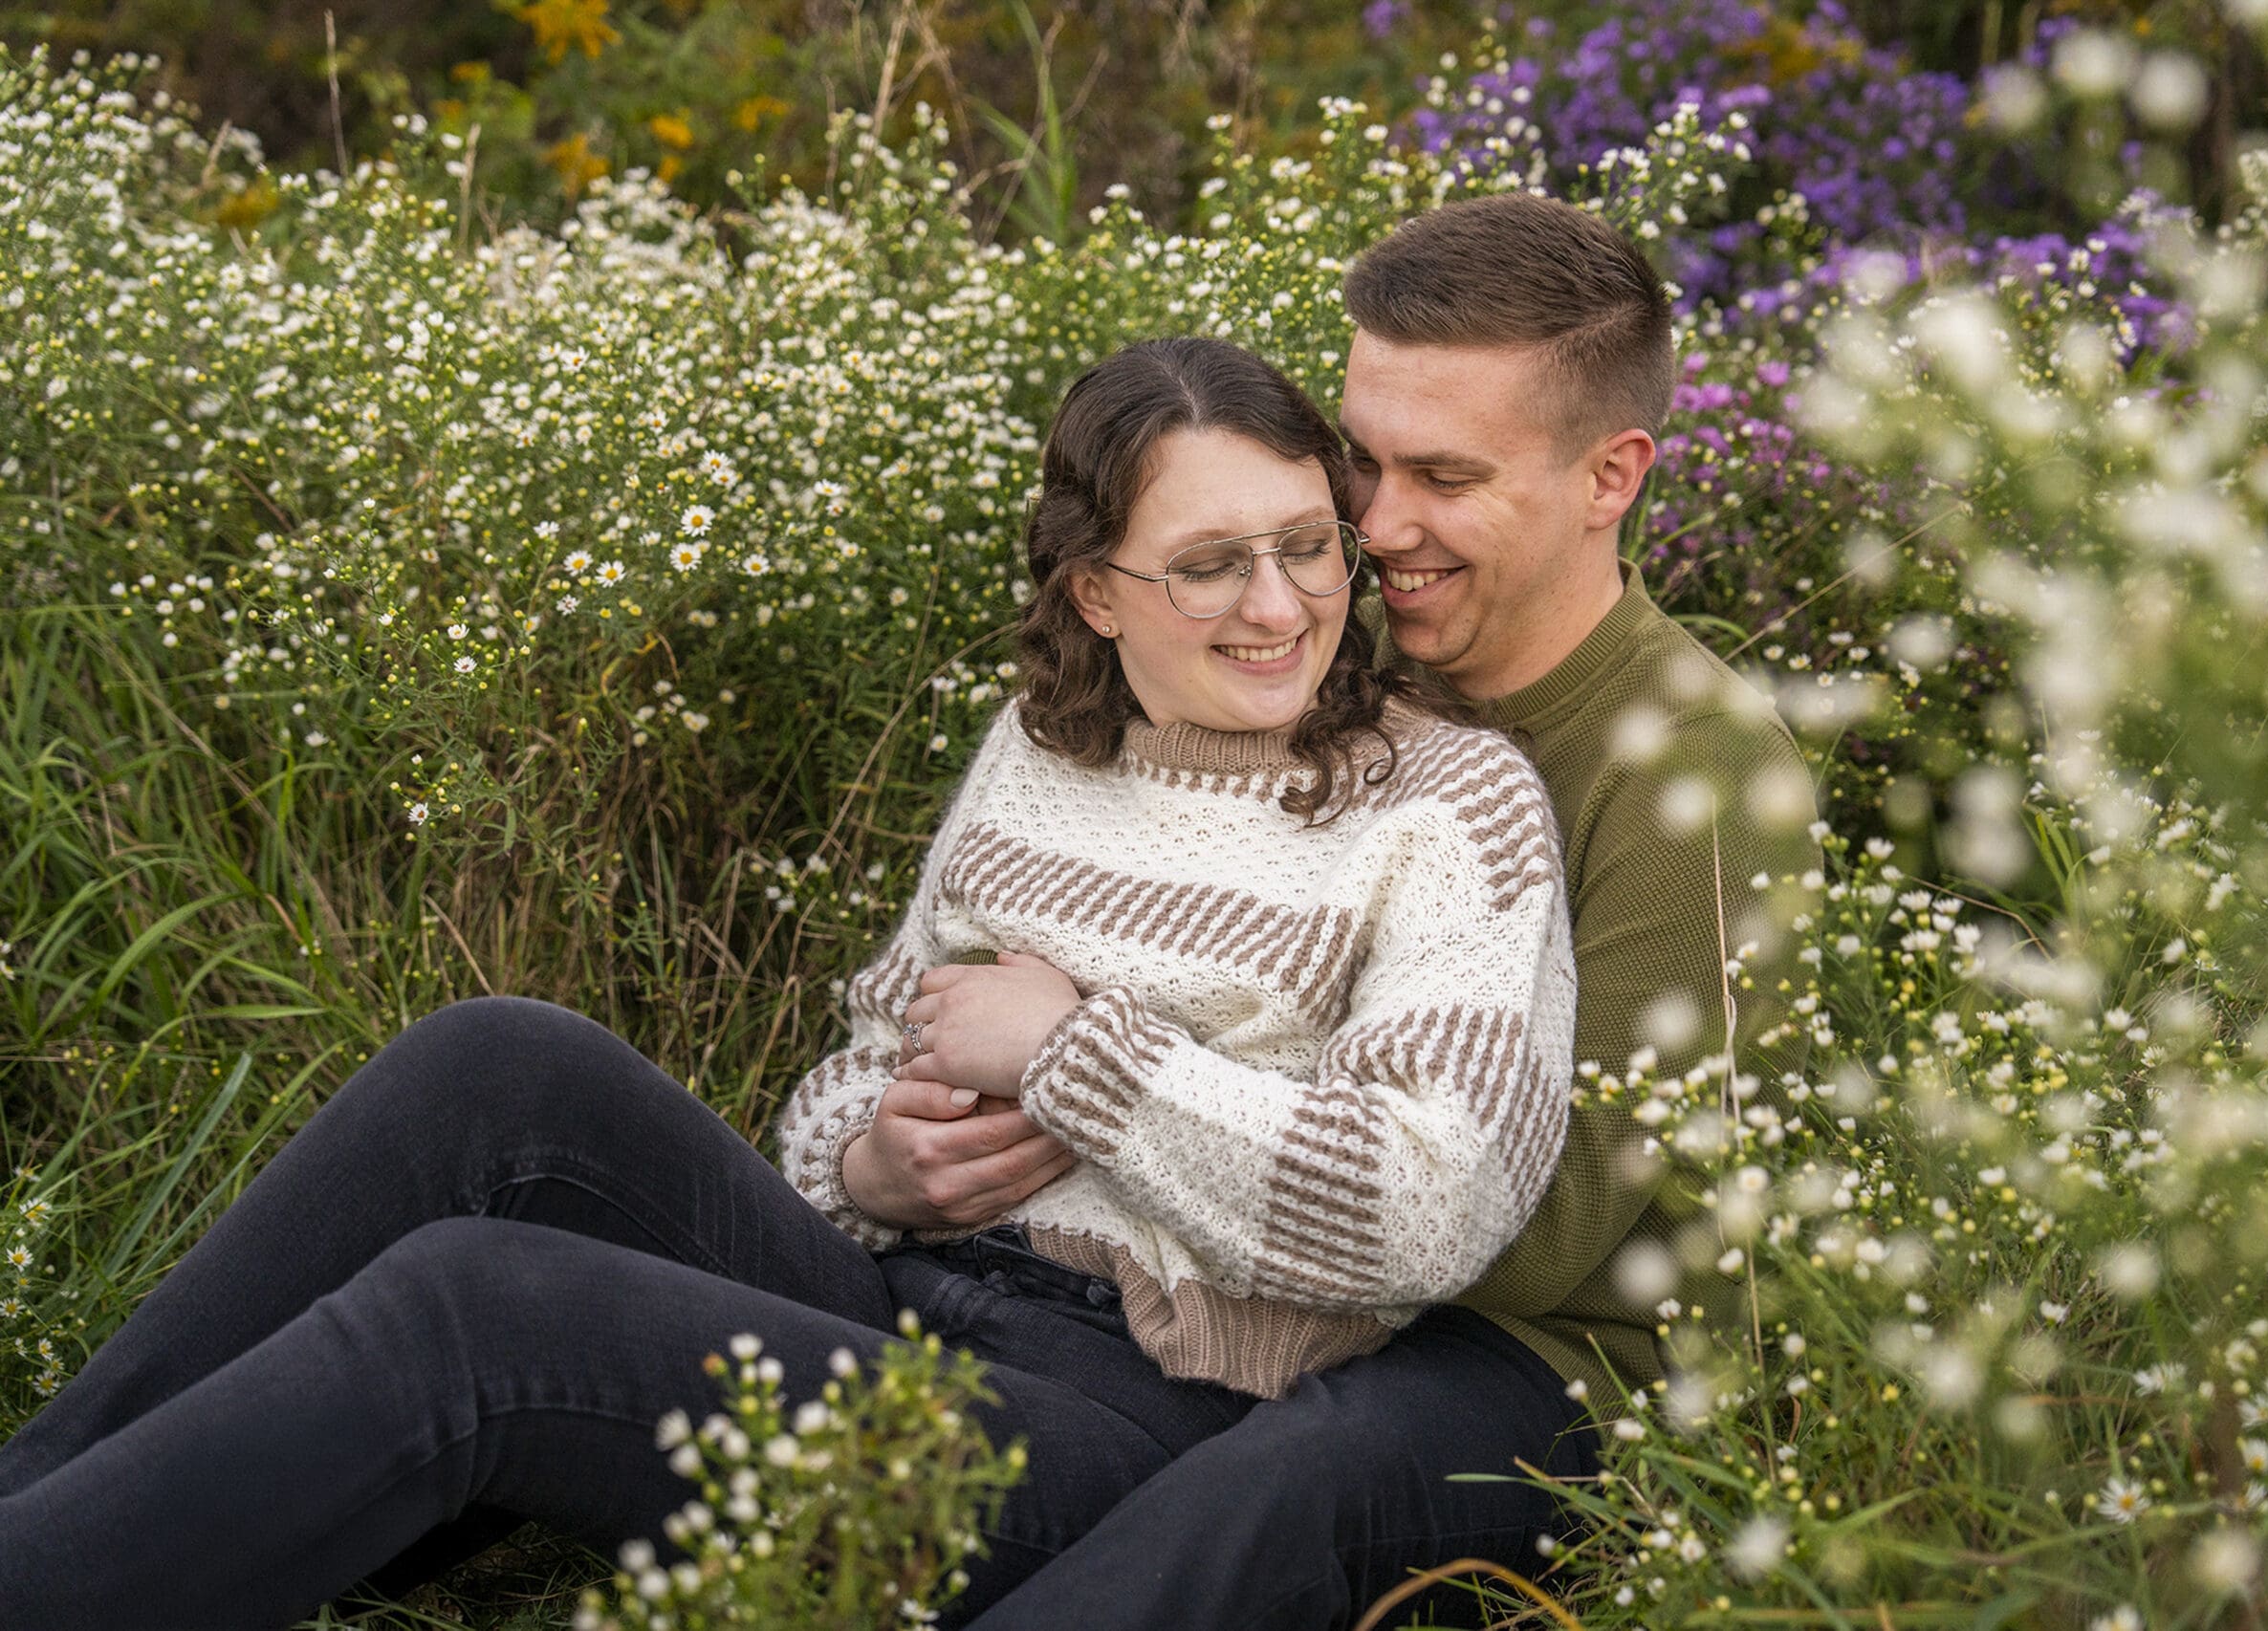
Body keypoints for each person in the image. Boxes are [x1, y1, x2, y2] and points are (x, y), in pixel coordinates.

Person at [0, 337, 1576, 1630]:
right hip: (896, 1301)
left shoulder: (1446, 805)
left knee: (472, 1313)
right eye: (1212, 565)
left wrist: (1084, 1052)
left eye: (1310, 546)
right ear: (1097, 589)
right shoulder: (1044, 752)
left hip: (1123, 1436)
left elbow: (1430, 1200)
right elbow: (866, 1055)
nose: (1283, 604)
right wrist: (870, 1159)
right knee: (501, 1062)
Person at [949, 195, 1821, 1629]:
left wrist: (1101, 1070)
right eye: (1362, 454)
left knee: (1293, 1483)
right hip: (1267, 1293)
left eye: (1445, 474)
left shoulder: (1704, 771)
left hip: (1546, 1375)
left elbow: (1524, 1234)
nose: (1376, 520)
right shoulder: (1320, 672)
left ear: (1611, 476)